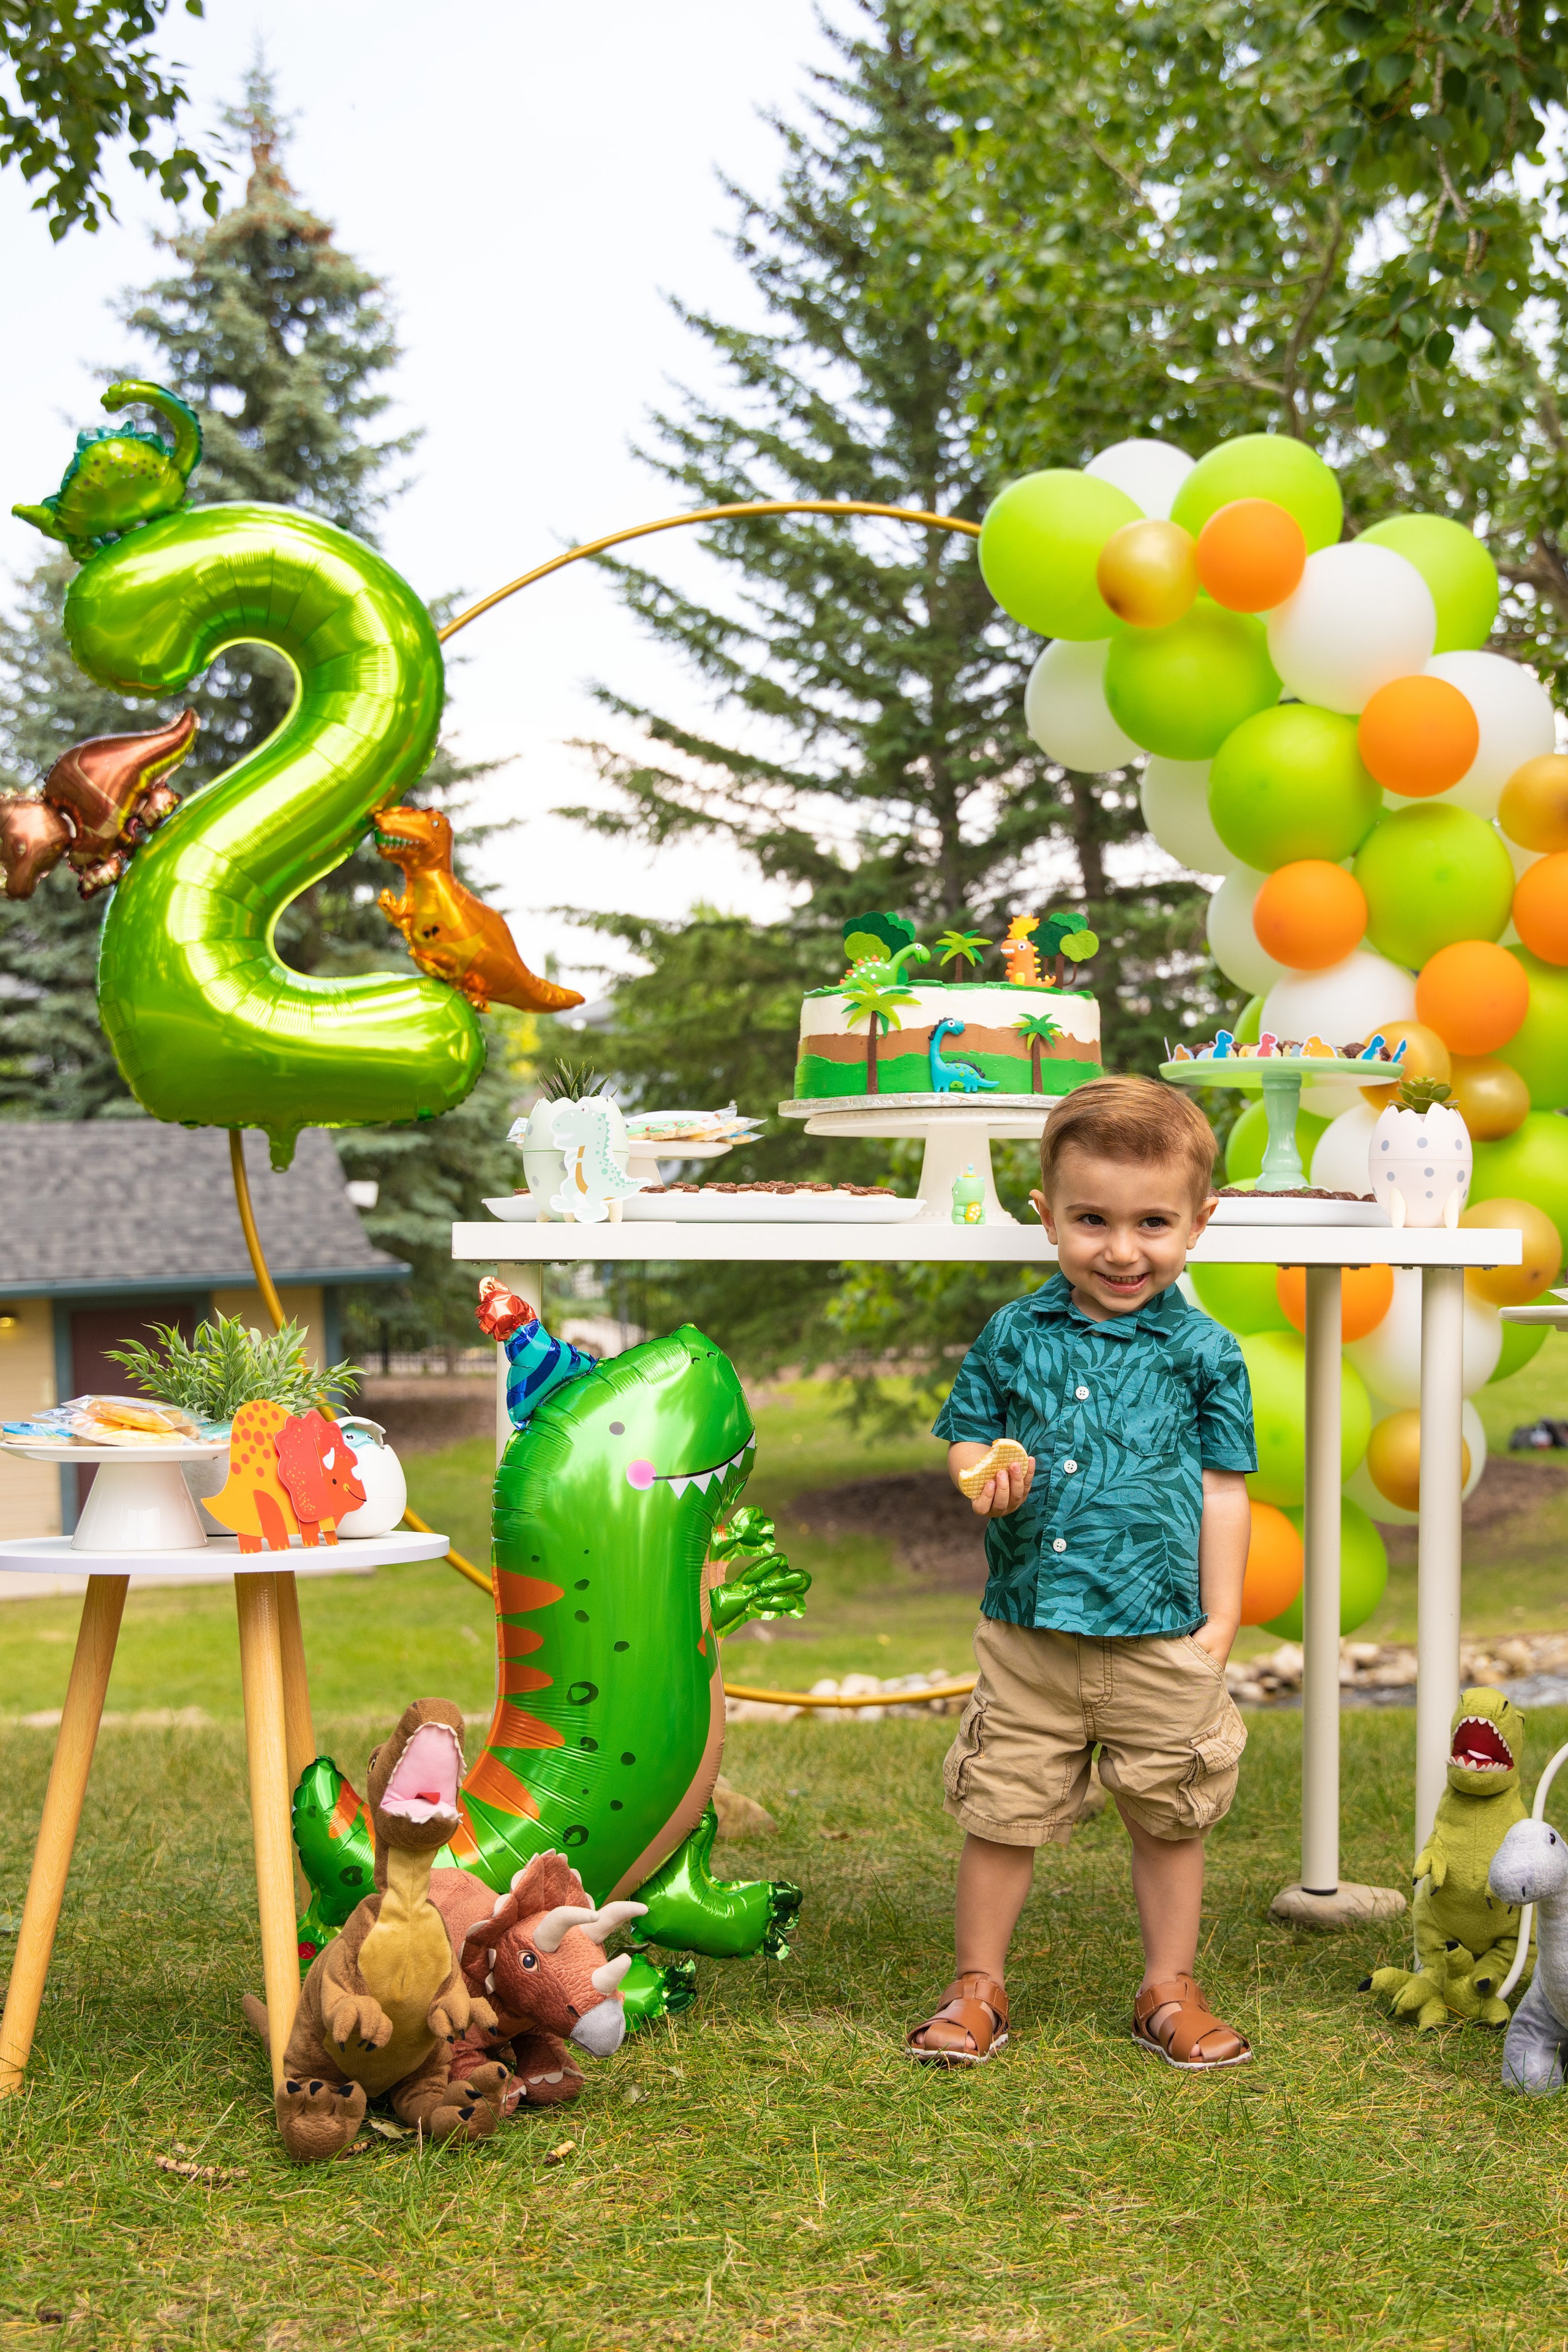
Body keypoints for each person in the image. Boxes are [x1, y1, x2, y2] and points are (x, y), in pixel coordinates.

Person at [907, 1074, 1257, 2071]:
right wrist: (980, 1470)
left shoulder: (1205, 1352)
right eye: (1091, 1219)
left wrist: (1220, 1622)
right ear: (1047, 1216)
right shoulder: (1015, 1334)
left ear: (1199, 1222)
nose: (1121, 1248)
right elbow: (970, 1434)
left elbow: (1225, 1489)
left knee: (1170, 1812)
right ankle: (978, 1986)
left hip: (1161, 1634)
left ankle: (1169, 1987)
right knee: (1002, 1808)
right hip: (1030, 1636)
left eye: (1153, 1222)